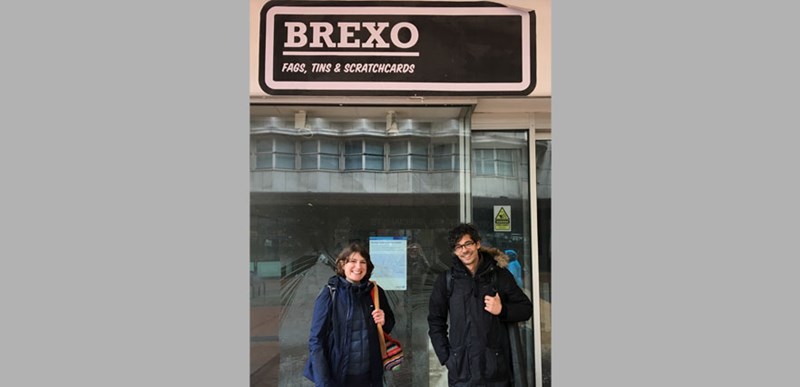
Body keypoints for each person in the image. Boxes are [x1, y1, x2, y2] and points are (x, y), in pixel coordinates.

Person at [428, 223, 533, 387]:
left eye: (468, 244)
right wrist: (447, 357)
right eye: (458, 247)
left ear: (477, 244)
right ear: (454, 251)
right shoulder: (447, 281)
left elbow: (526, 309)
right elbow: (435, 322)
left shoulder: (499, 276)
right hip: (461, 371)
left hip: (496, 371)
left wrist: (502, 310)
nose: (464, 250)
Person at [303, 242, 396, 387]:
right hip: (339, 376)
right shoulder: (329, 293)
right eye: (352, 261)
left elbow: (389, 325)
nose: (358, 267)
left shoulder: (375, 292)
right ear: (342, 265)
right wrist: (323, 382)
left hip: (370, 377)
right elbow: (316, 341)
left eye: (362, 262)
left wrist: (384, 321)